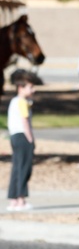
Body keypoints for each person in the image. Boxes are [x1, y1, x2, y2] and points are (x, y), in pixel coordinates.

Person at [6, 69, 38, 212]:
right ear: (20, 87)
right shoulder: (22, 102)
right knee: (25, 167)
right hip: (23, 136)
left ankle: (13, 199)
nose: (33, 89)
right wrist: (30, 138)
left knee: (17, 167)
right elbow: (25, 121)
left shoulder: (14, 101)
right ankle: (21, 199)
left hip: (14, 136)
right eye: (30, 87)